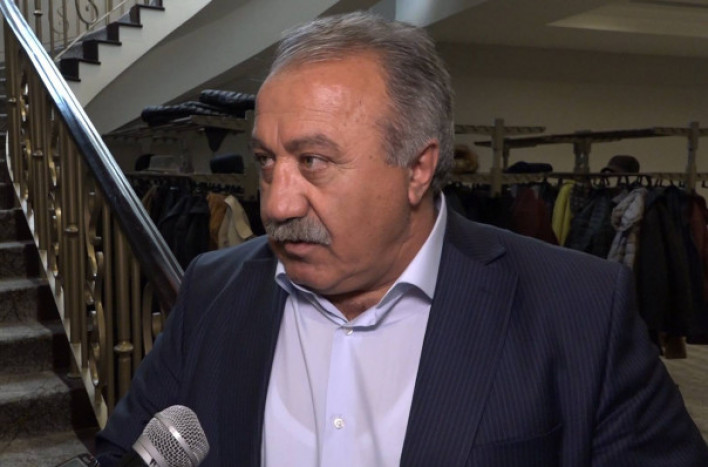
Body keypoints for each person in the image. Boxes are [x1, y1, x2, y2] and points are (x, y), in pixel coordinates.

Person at [95, 11, 708, 466]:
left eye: (313, 162)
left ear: (417, 168)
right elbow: (127, 450)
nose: (277, 204)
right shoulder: (213, 288)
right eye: (266, 162)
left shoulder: (578, 307)